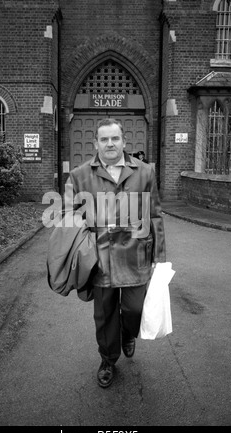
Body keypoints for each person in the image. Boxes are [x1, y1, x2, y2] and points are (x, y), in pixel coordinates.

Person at [64, 118, 166, 388]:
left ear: (124, 141)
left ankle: (128, 333)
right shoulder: (79, 175)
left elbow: (155, 215)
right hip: (101, 258)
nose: (110, 143)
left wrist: (160, 258)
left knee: (134, 309)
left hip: (136, 256)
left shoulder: (145, 172)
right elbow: (69, 219)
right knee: (105, 314)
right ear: (95, 143)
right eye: (104, 139)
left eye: (115, 139)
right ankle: (108, 359)